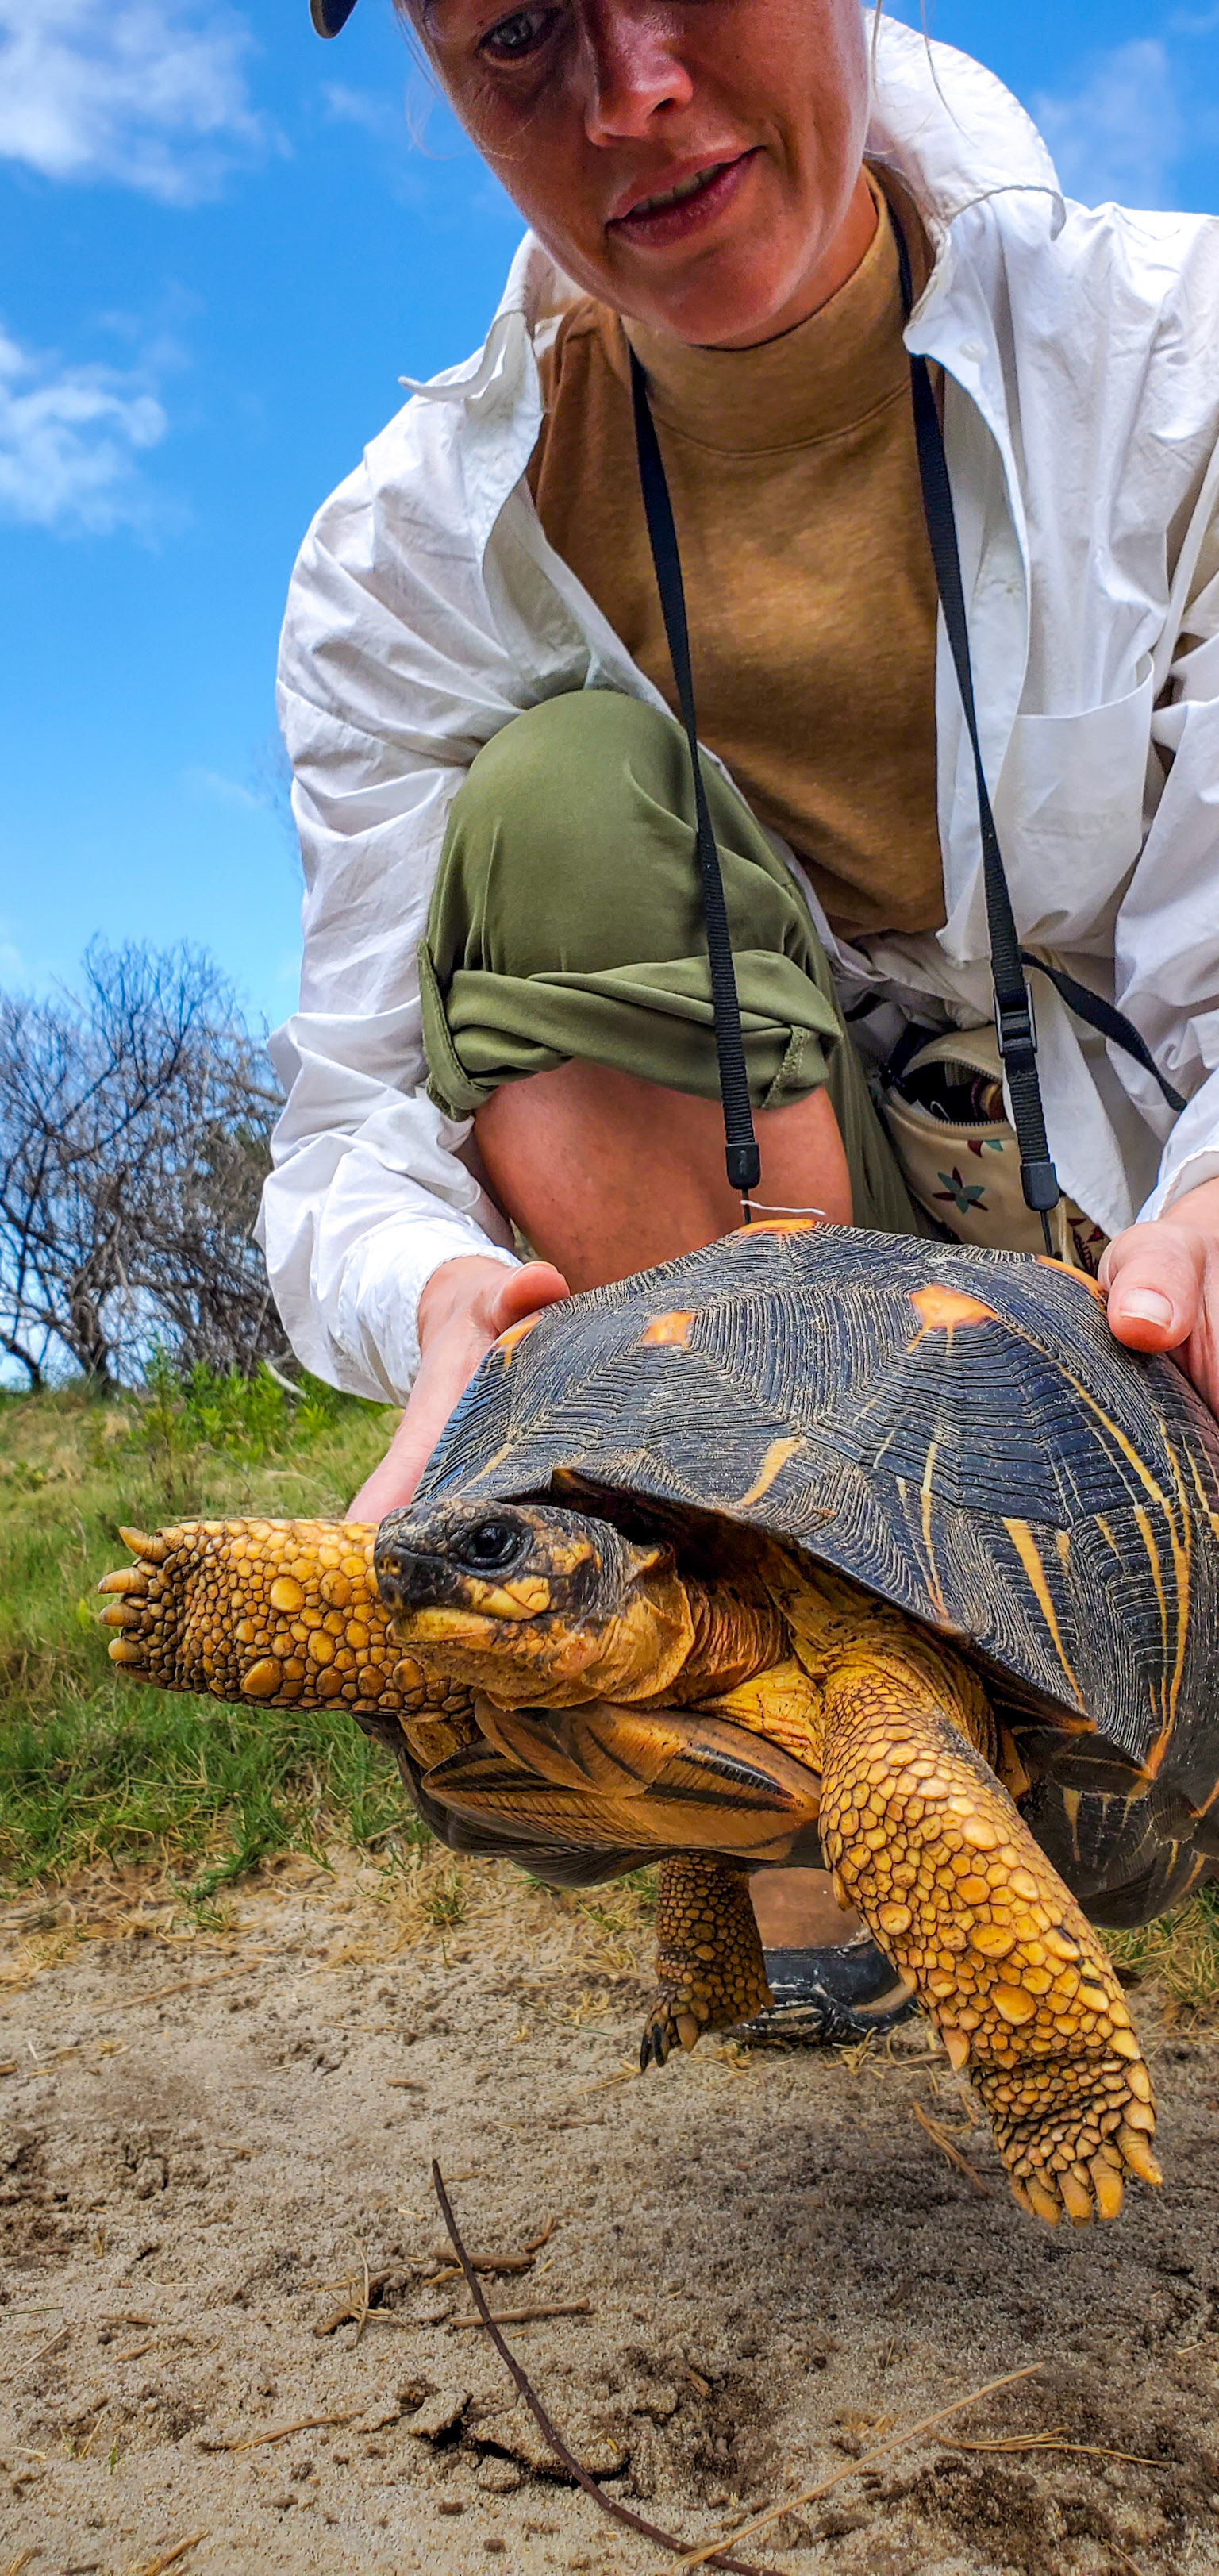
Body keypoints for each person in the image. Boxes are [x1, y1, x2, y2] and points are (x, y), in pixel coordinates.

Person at [265, 0, 1219, 2020]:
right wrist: (446, 1302)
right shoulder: (405, 563)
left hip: (1148, 1267)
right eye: (517, 35)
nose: (632, 94)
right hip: (776, 1301)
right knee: (552, 812)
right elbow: (349, 1126)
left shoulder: (1173, 358)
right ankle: (813, 1792)